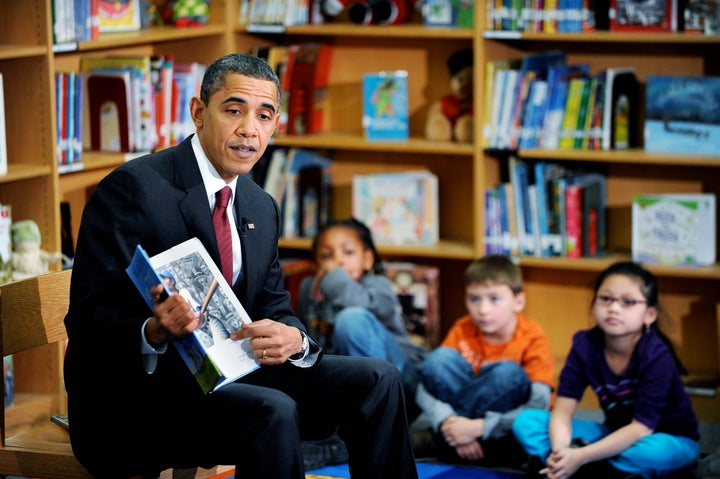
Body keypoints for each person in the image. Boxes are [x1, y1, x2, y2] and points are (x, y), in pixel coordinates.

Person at [63, 52, 418, 479]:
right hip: (140, 399)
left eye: (265, 116)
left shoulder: (260, 205)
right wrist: (154, 329)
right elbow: (87, 318)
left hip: (234, 376)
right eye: (234, 110)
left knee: (378, 379)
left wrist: (293, 338)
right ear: (198, 112)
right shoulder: (133, 189)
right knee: (273, 409)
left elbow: (274, 304)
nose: (249, 129)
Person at [512, 261, 700, 479]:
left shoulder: (657, 355)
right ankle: (575, 465)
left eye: (628, 302)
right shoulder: (584, 345)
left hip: (664, 438)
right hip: (613, 433)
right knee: (527, 423)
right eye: (606, 299)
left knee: (653, 453)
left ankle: (583, 464)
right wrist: (559, 450)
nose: (614, 308)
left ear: (649, 314)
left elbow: (641, 428)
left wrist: (581, 455)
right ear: (594, 304)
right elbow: (562, 412)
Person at [295, 217, 428, 468]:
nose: (338, 261)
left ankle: (352, 437)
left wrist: (334, 278)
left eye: (348, 252)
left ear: (367, 259)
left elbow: (357, 305)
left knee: (351, 319)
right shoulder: (309, 289)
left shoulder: (377, 285)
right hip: (348, 391)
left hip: (401, 383)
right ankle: (334, 436)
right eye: (326, 255)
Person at [413, 254, 555, 467]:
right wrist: (447, 421)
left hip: (504, 423)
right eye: (474, 299)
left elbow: (539, 405)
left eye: (494, 299)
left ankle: (445, 443)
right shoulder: (464, 327)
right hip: (459, 422)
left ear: (518, 302)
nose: (483, 310)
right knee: (437, 360)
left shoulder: (533, 336)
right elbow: (424, 385)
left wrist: (479, 427)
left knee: (507, 374)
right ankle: (460, 441)